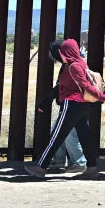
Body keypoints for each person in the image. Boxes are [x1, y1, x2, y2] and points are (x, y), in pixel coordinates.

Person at [24, 39, 105, 179]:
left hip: (71, 104)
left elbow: (85, 85)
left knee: (56, 136)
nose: (60, 55)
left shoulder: (73, 67)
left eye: (62, 52)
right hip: (82, 105)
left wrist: (102, 97)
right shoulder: (80, 62)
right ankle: (92, 167)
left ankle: (41, 168)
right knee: (84, 136)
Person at [35, 40, 87, 173]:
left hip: (74, 105)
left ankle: (79, 162)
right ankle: (59, 161)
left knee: (69, 134)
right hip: (72, 104)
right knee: (58, 131)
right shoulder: (69, 63)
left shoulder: (72, 64)